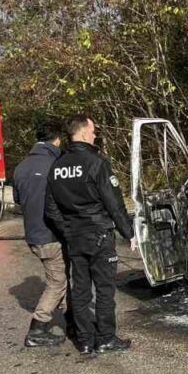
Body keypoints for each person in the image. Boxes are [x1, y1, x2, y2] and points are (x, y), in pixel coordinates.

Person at [44, 114, 136, 357]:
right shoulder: (98, 163)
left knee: (81, 290)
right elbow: (114, 203)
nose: (95, 135)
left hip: (74, 237)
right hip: (99, 235)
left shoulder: (57, 166)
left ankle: (84, 341)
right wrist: (129, 233)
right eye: (93, 131)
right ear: (84, 133)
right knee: (105, 290)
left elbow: (51, 208)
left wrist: (68, 230)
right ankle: (106, 338)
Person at [12, 124, 70, 348]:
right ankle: (37, 329)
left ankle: (70, 318)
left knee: (60, 276)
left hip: (34, 234)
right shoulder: (55, 165)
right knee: (58, 281)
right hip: (51, 234)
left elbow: (18, 201)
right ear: (56, 140)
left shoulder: (21, 167)